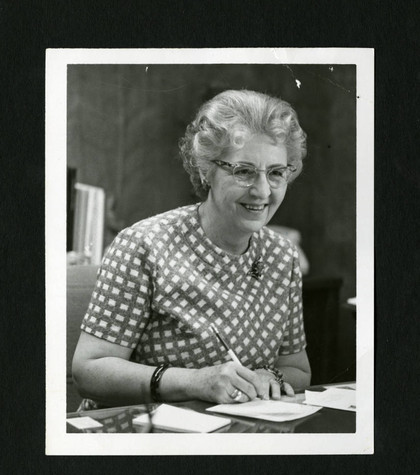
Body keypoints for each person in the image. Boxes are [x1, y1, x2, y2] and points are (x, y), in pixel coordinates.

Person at [72, 89, 311, 410]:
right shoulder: (144, 245)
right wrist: (197, 382)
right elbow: (89, 371)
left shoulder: (283, 257)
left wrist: (270, 377)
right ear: (206, 170)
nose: (263, 190)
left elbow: (297, 369)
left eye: (277, 173)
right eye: (243, 171)